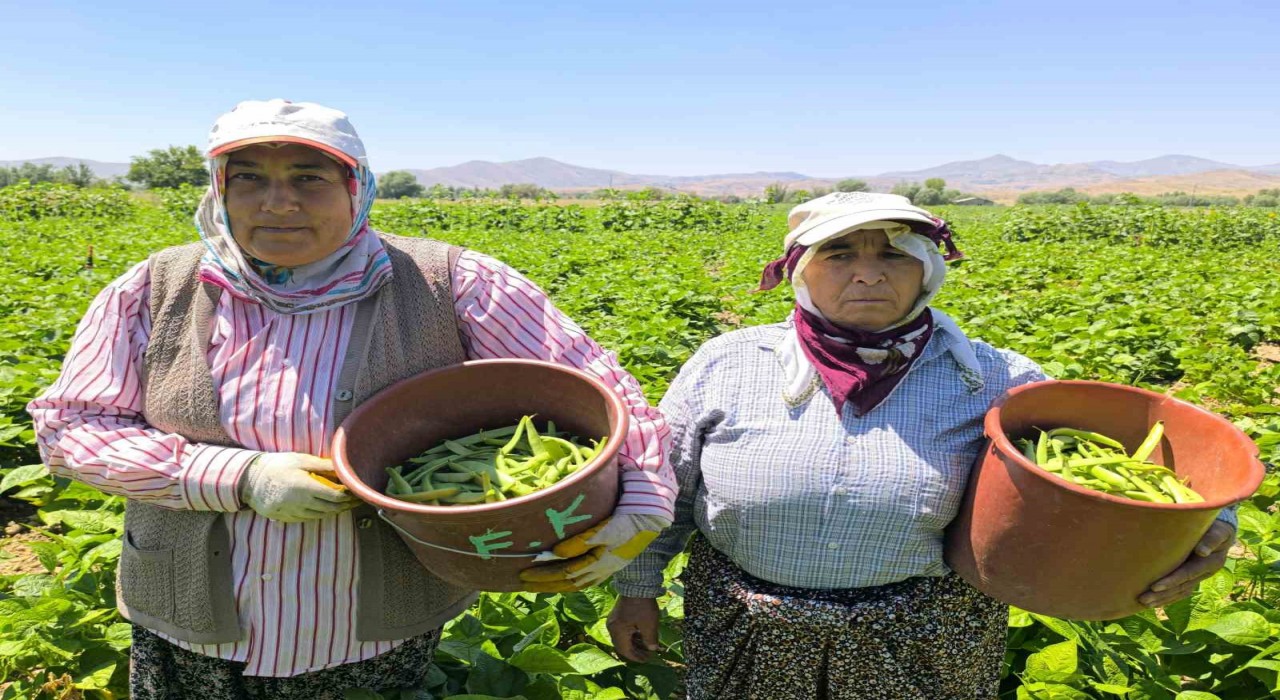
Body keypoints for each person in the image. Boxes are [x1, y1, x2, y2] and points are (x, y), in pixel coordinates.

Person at [27, 99, 675, 699]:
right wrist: (236, 476)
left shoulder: (454, 283)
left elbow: (602, 391)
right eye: (248, 178)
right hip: (188, 627)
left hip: (370, 634)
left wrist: (640, 508)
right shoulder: (150, 290)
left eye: (309, 178)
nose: (277, 202)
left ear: (355, 187)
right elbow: (71, 431)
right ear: (219, 190)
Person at [606, 192, 1237, 699]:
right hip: (745, 625)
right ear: (801, 270)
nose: (869, 272)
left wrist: (1208, 524)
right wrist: (637, 588)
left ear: (926, 270)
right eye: (839, 253)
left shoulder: (994, 376)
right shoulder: (728, 363)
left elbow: (1133, 454)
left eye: (896, 254)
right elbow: (669, 486)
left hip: (925, 634)